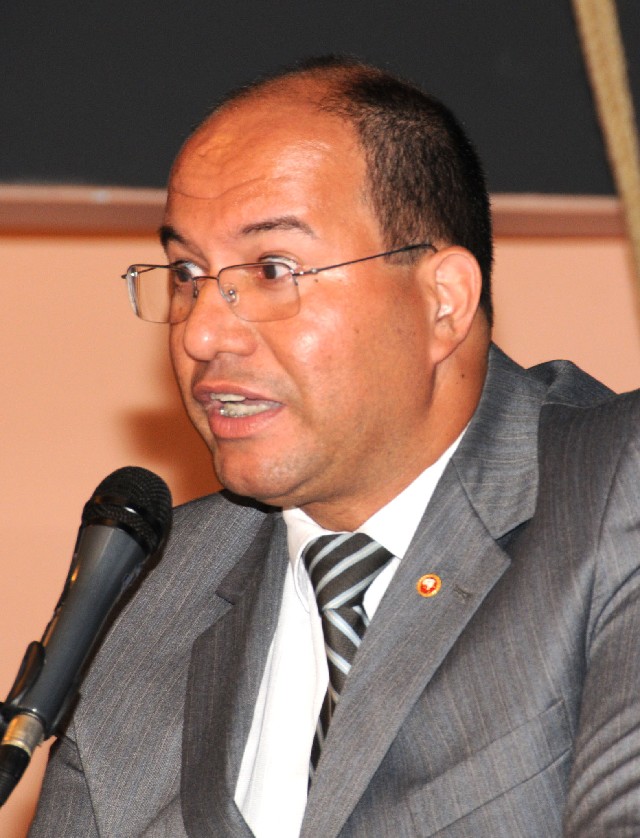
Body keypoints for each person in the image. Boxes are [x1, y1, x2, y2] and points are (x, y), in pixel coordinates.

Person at [30, 56, 640, 837]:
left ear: (444, 301)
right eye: (186, 272)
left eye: (273, 268)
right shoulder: (148, 592)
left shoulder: (612, 494)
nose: (202, 332)